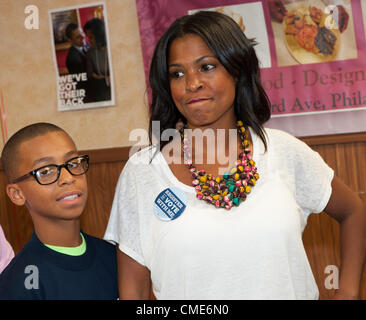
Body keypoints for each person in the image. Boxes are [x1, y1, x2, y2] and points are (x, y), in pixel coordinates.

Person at [104, 11, 366, 300]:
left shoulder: (282, 151)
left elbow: (354, 211)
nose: (192, 83)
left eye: (206, 67)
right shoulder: (143, 172)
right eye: (177, 73)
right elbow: (134, 291)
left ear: (237, 69)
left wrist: (349, 291)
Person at [0, 123, 118, 299]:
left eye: (73, 163)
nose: (68, 178)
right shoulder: (18, 283)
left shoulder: (114, 257)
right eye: (46, 171)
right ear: (17, 194)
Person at [83, 18, 111, 102]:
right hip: (101, 95)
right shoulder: (90, 52)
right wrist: (107, 78)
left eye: (91, 37)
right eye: (88, 37)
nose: (89, 41)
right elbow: (91, 75)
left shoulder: (113, 47)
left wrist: (101, 77)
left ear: (100, 35)